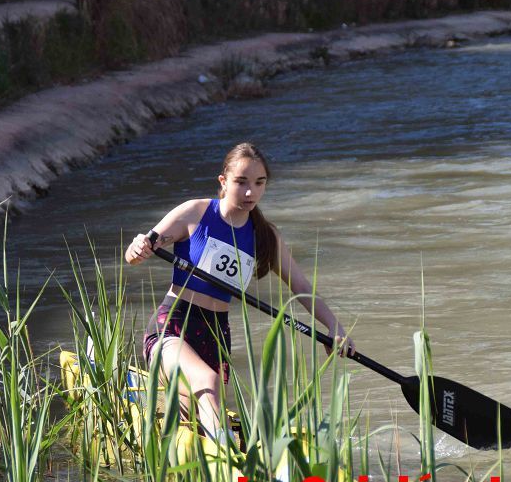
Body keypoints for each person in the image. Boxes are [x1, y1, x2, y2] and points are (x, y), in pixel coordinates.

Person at [125, 143, 355, 445]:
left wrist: (334, 326)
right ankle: (229, 461)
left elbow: (301, 287)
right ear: (223, 182)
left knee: (198, 407)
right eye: (241, 182)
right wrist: (138, 246)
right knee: (206, 381)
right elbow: (139, 251)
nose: (251, 193)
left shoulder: (265, 236)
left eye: (259, 184)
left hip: (216, 334)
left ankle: (196, 427)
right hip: (173, 324)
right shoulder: (195, 213)